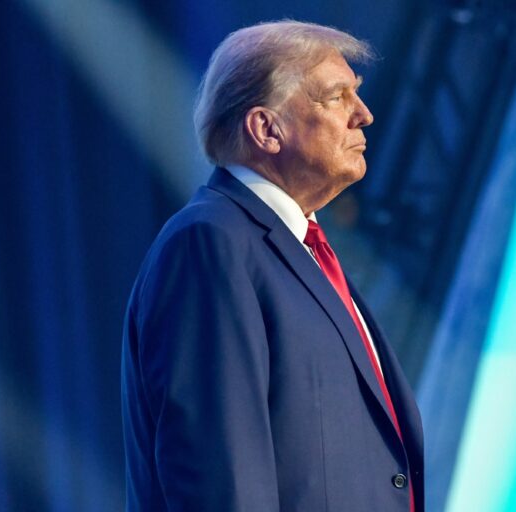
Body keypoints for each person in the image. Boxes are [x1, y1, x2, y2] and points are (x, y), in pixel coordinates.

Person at [121, 20, 424, 512]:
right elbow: (219, 477)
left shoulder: (301, 250)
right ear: (266, 129)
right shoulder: (210, 242)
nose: (364, 115)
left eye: (358, 94)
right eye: (336, 96)